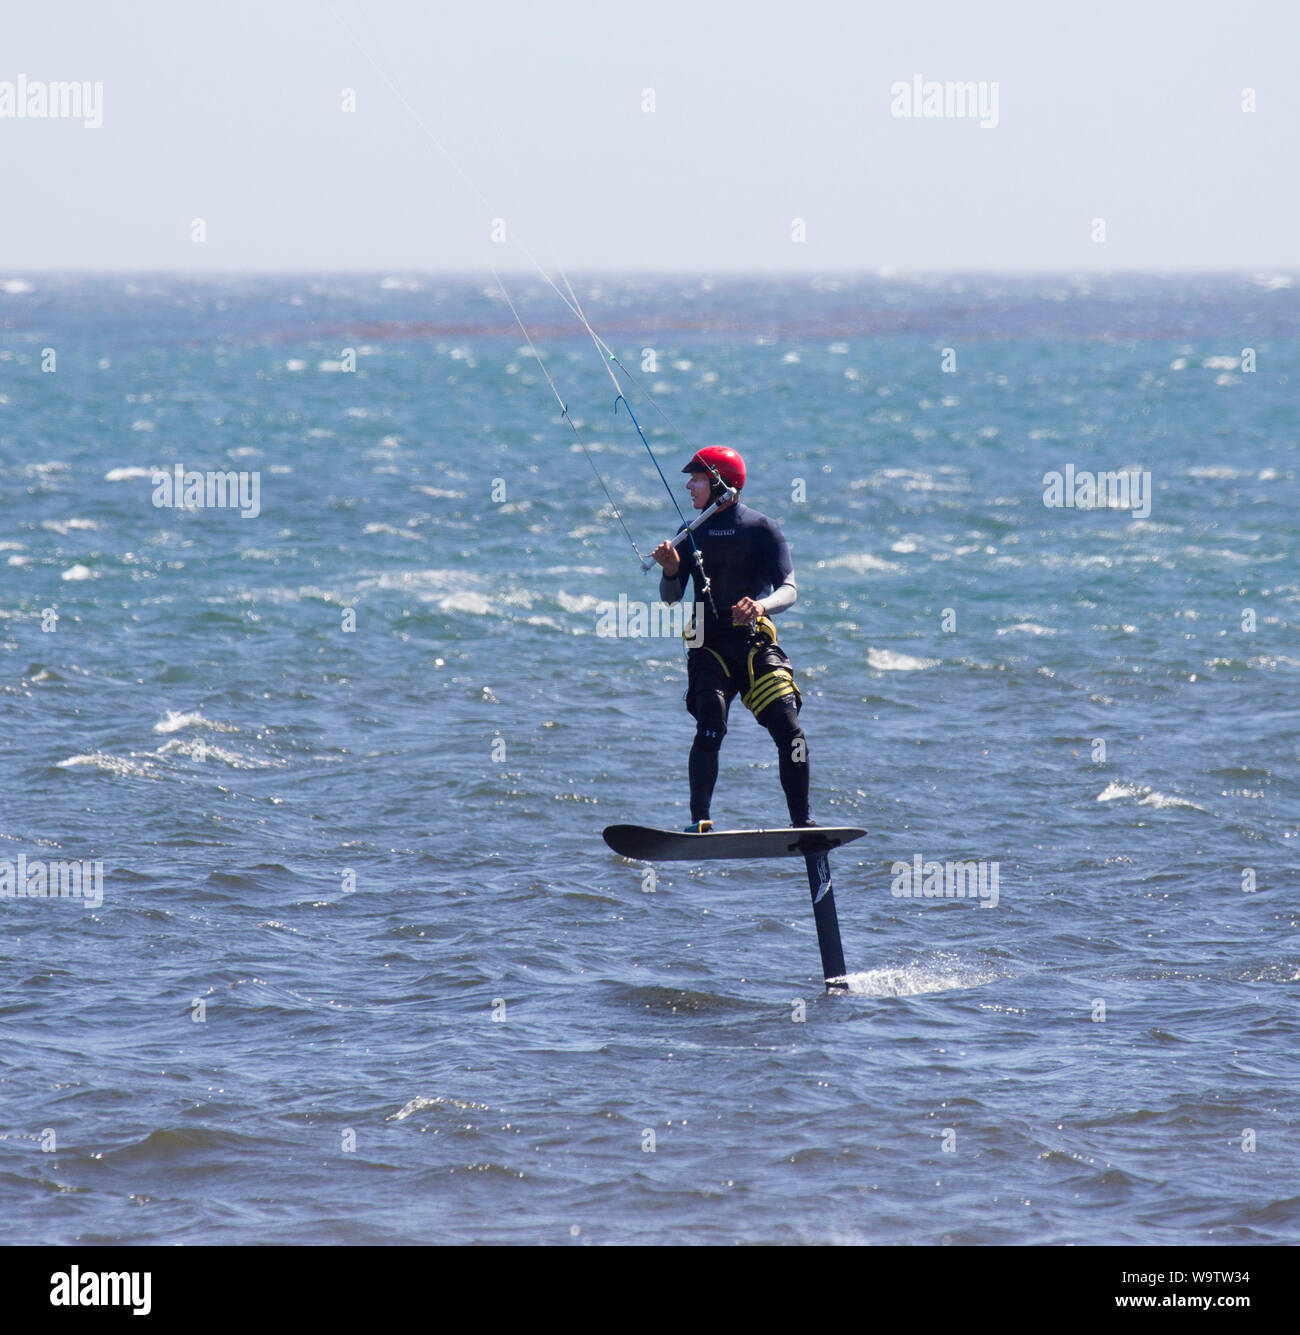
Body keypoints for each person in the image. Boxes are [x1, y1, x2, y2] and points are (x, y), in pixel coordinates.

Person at [652, 447, 814, 834]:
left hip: (754, 642)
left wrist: (761, 606)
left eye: (698, 479)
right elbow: (671, 598)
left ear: (722, 484)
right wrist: (672, 573)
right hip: (708, 644)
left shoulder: (762, 529)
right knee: (710, 723)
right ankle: (699, 821)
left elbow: (789, 590)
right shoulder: (690, 534)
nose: (690, 485)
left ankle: (802, 820)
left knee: (790, 729)